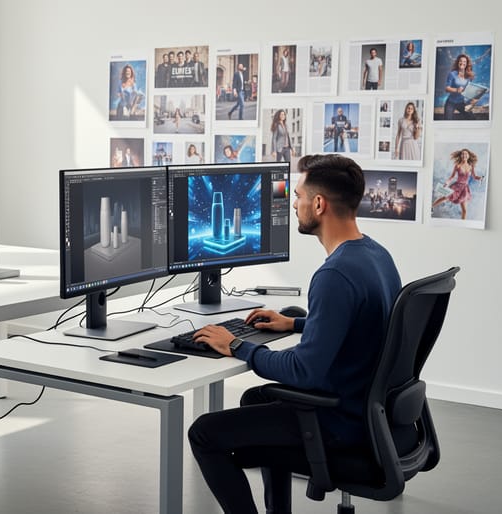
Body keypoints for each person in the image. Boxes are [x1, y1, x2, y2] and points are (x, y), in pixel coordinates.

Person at [188, 154, 402, 514]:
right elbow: (364, 325)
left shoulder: (335, 275)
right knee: (256, 399)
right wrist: (296, 324)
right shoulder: (376, 255)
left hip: (339, 422)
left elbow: (304, 371)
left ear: (319, 204)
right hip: (367, 410)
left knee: (204, 434)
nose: (294, 202)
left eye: (298, 194)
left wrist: (236, 345)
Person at [432, 148, 483, 219]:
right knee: (445, 198)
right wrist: (447, 183)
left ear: (468, 156)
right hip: (456, 186)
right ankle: (431, 207)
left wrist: (480, 178)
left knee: (464, 211)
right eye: (462, 154)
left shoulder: (471, 166)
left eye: (466, 154)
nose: (464, 155)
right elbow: (452, 176)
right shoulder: (457, 165)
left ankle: (462, 224)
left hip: (465, 189)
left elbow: (474, 176)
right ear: (461, 156)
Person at [443, 54, 478, 120]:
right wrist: (456, 90)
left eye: (464, 61)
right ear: (458, 62)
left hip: (462, 103)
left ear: (467, 64)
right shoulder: (452, 74)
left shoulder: (469, 76)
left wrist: (474, 99)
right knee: (447, 121)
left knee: (472, 119)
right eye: (460, 61)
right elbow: (446, 88)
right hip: (451, 102)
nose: (462, 63)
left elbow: (468, 91)